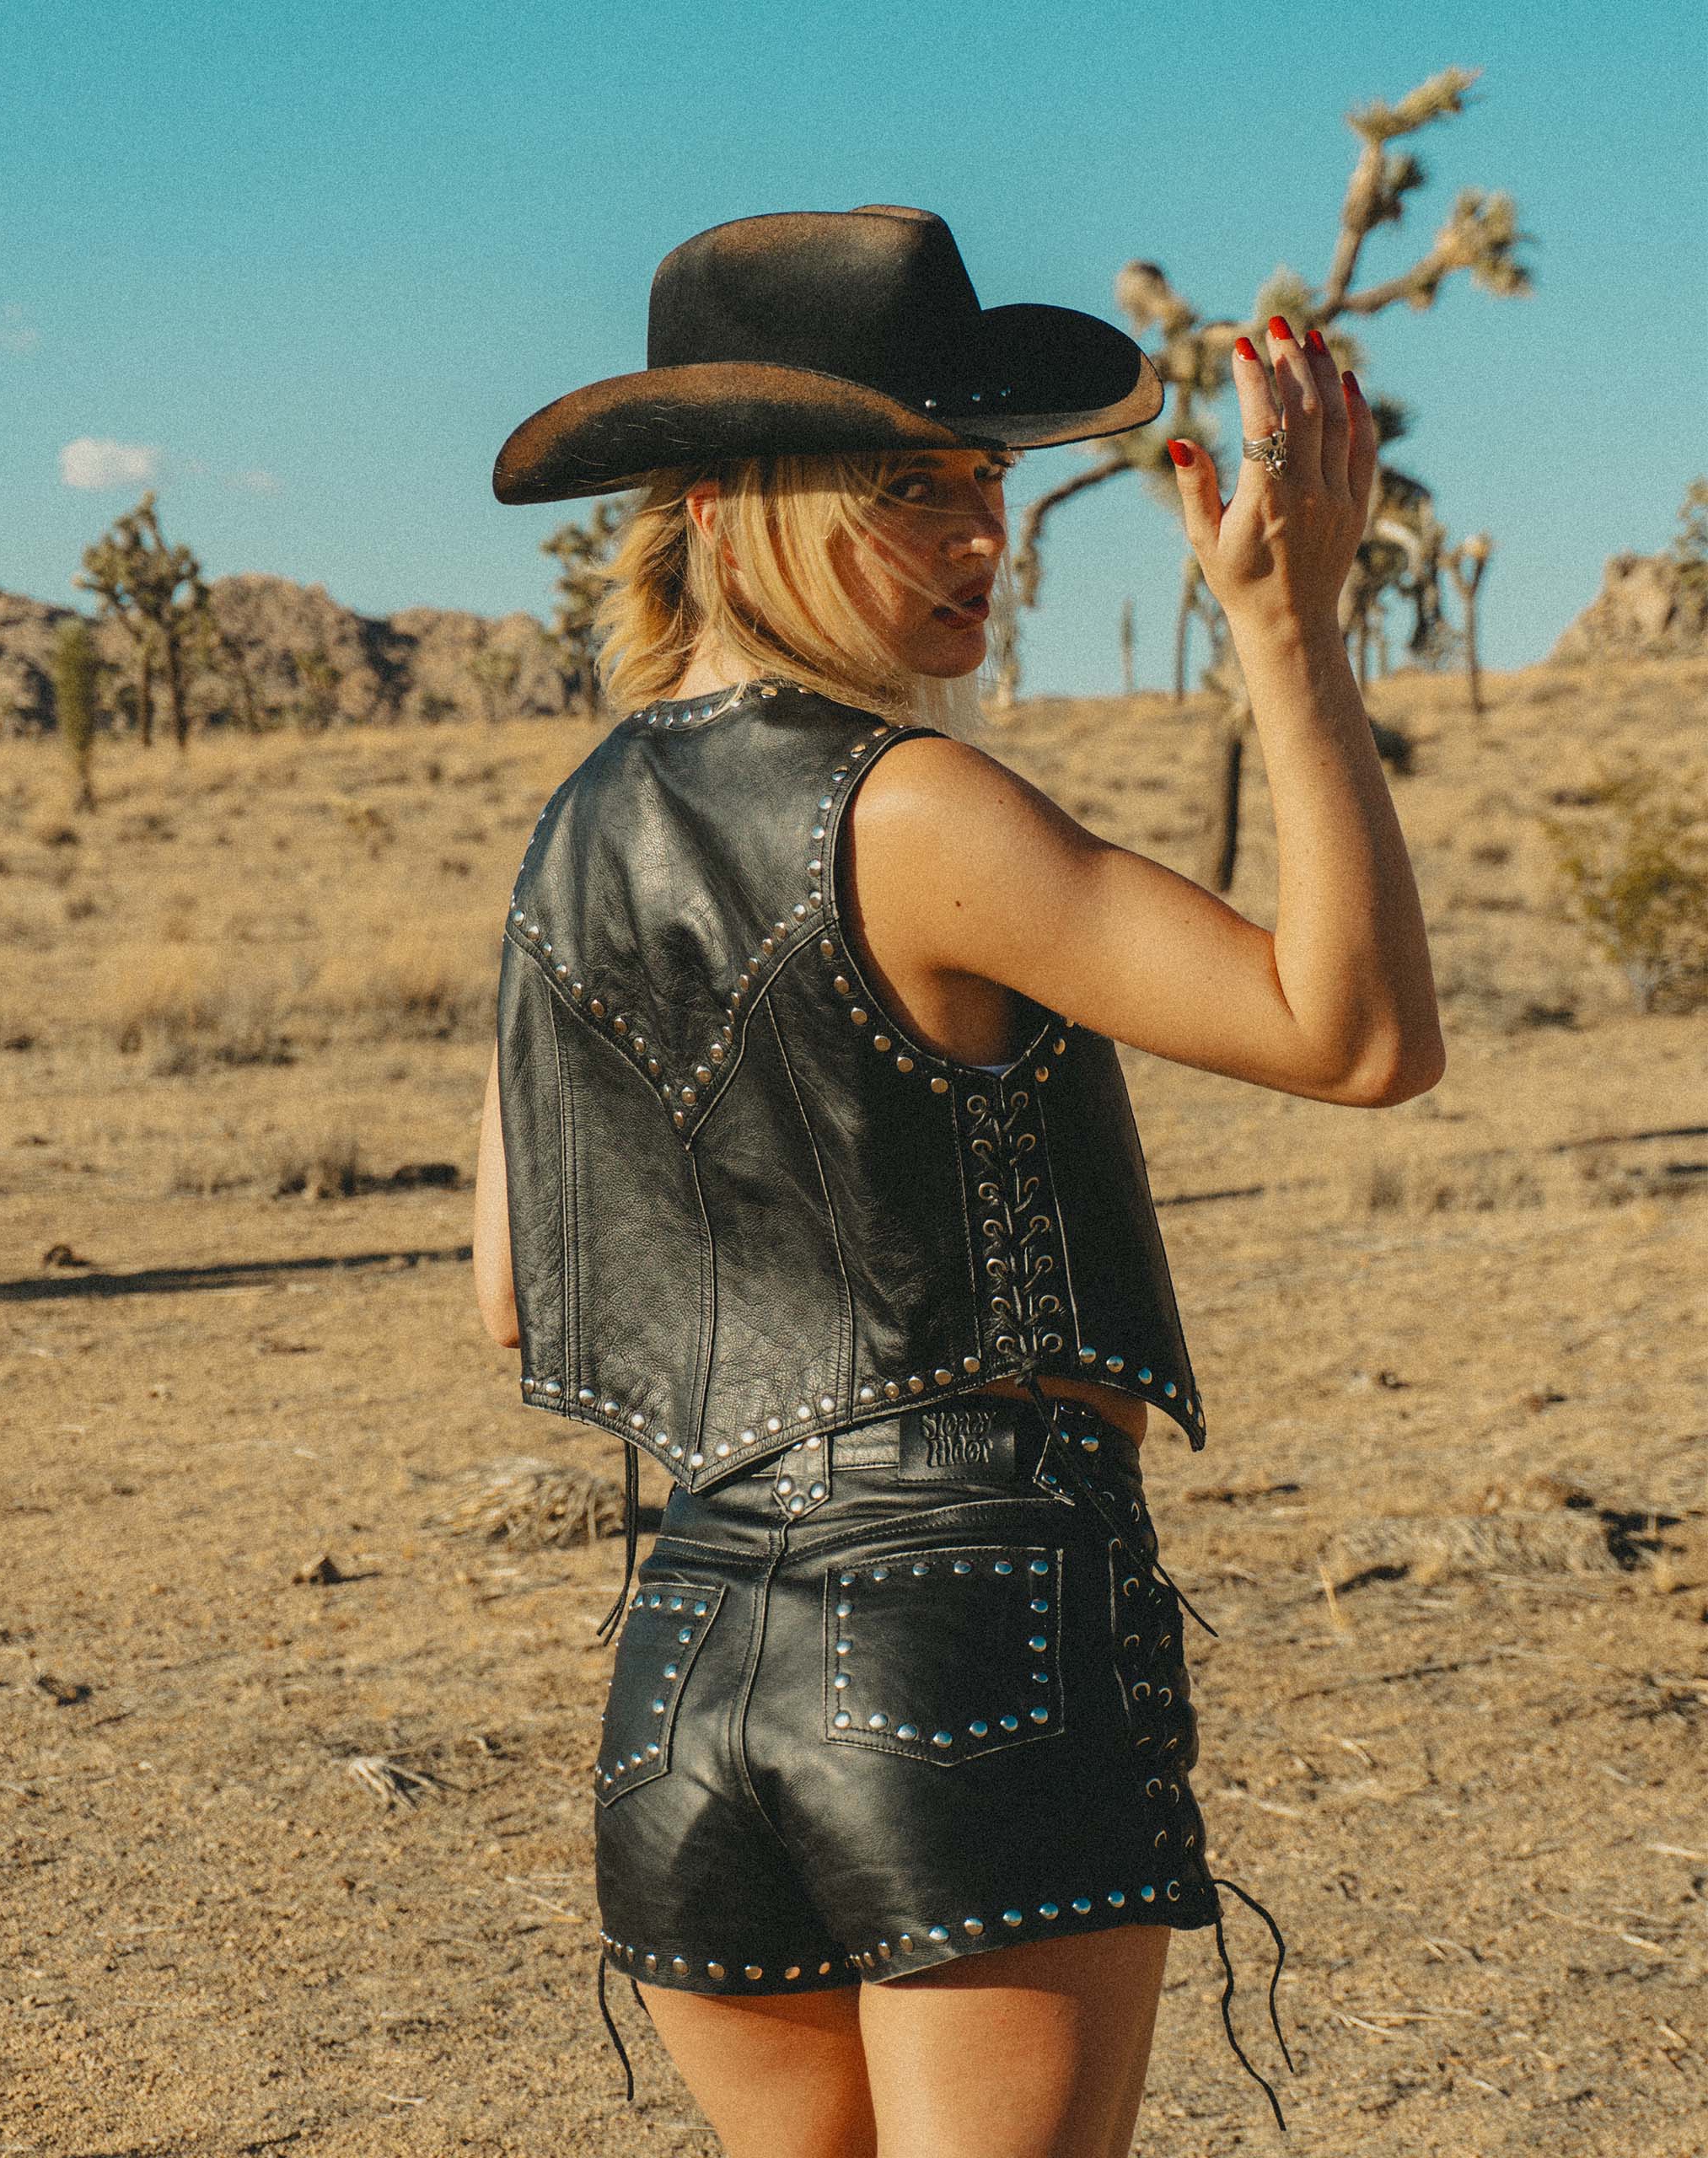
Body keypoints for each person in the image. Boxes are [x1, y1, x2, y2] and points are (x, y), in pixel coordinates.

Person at [471, 205, 1444, 2158]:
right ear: (741, 505)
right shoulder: (909, 802)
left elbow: (517, 1293)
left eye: (983, 483)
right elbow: (1354, 1036)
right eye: (909, 487)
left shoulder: (564, 837)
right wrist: (1289, 630)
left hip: (680, 1668)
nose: (980, 537)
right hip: (968, 1639)